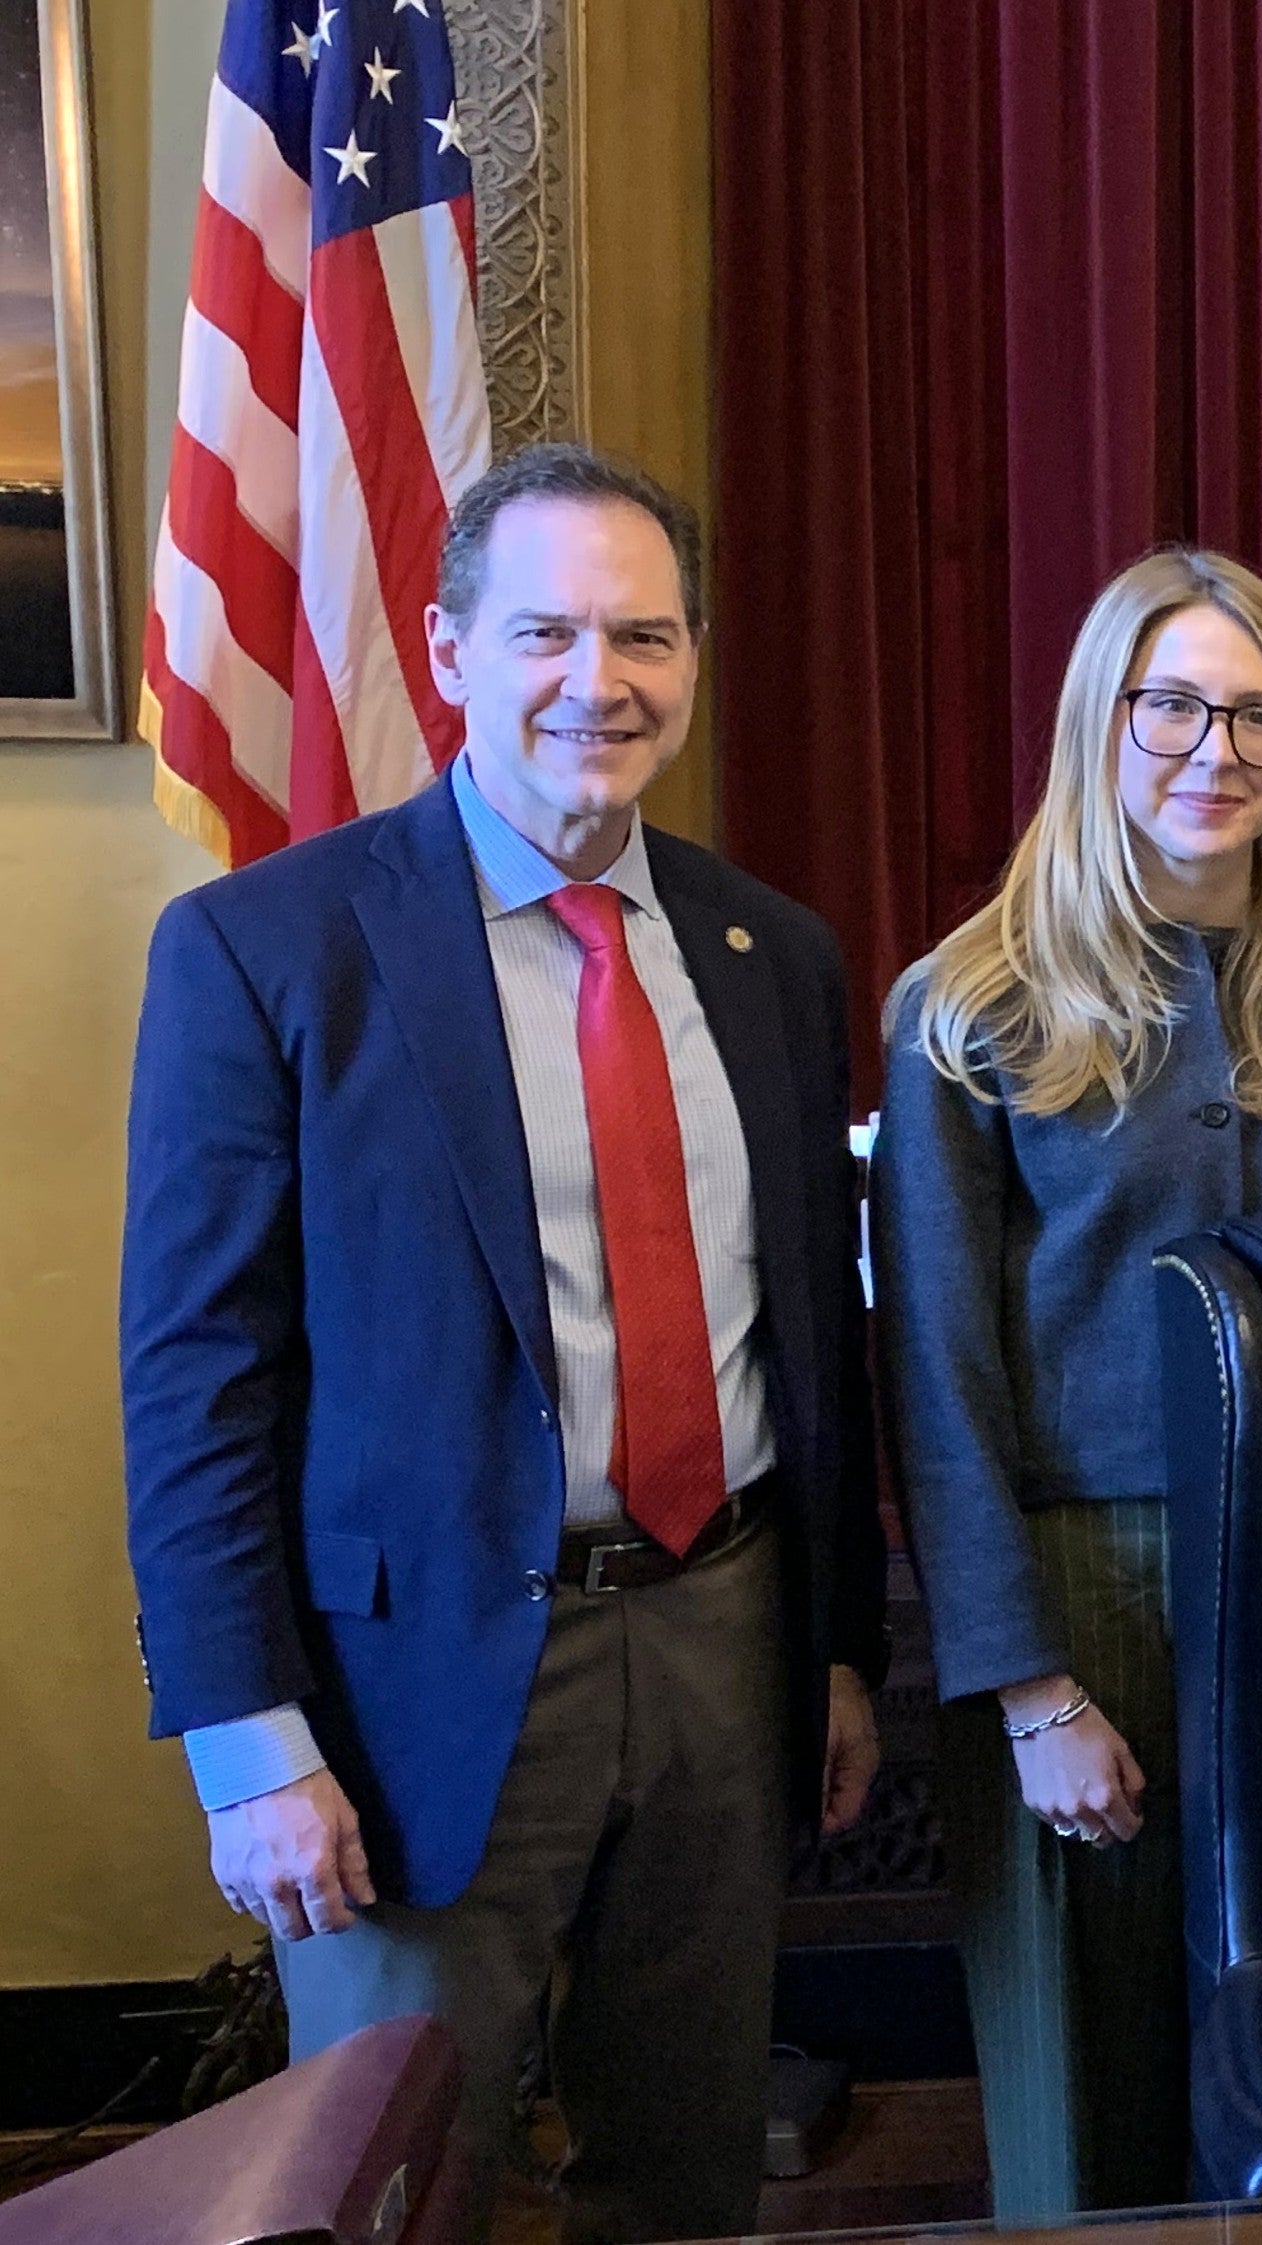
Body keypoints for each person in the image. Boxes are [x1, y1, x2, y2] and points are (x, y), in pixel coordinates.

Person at [121, 446, 885, 2244]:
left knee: (687, 2180)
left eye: (644, 636)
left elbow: (814, 1347)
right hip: (413, 1699)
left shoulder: (772, 952)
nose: (596, 682)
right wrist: (249, 1743)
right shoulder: (268, 949)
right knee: (397, 2187)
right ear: (450, 649)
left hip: (720, 1642)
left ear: (691, 662)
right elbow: (194, 1381)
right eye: (545, 630)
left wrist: (837, 1651)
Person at [871, 547, 1262, 2218]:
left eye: (1259, 717)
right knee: (1090, 2093)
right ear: (1101, 723)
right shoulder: (970, 1009)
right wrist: (1028, 1689)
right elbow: (935, 1371)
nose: (1217, 751)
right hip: (1079, 1601)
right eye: (1175, 706)